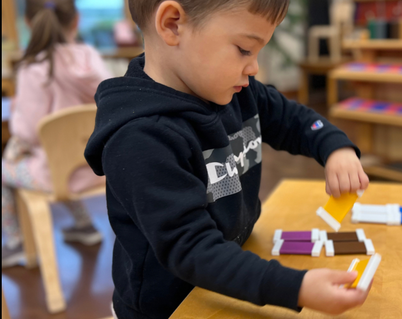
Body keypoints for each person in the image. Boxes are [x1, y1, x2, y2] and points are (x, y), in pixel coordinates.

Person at [84, 0, 372, 317]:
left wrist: (335, 147)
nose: (254, 67)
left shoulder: (236, 91)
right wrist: (296, 287)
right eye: (245, 49)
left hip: (229, 279)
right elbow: (192, 249)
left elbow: (295, 120)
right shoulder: (140, 139)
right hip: (169, 307)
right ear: (172, 24)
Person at [2, 0, 110, 268]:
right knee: (62, 156)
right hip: (102, 169)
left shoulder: (33, 68)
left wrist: (17, 112)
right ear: (76, 21)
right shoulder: (90, 57)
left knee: (6, 168)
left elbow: (26, 133)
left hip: (59, 176)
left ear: (28, 24)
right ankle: (84, 225)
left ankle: (15, 243)